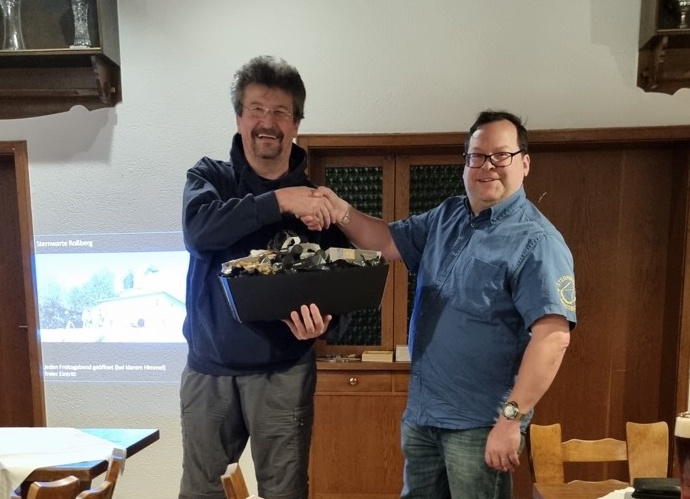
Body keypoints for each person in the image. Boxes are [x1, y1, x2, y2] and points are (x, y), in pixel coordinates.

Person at [306, 110, 577, 498]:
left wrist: (510, 420)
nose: (487, 166)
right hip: (424, 417)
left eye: (501, 155)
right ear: (466, 162)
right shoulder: (447, 216)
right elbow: (385, 242)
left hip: (481, 426)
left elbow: (553, 338)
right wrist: (341, 212)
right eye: (477, 156)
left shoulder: (538, 241)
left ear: (524, 163)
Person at [179, 55, 349, 499]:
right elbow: (198, 233)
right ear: (239, 118)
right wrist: (280, 201)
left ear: (296, 124)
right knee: (202, 493)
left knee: (285, 492)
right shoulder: (209, 178)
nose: (267, 122)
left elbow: (345, 292)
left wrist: (324, 324)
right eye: (256, 109)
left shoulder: (320, 203)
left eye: (280, 112)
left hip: (284, 371)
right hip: (209, 370)